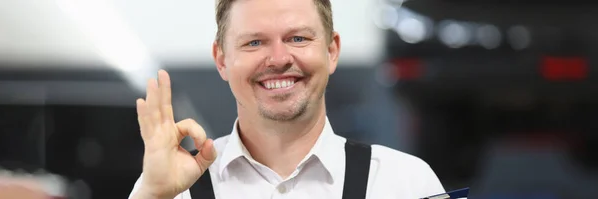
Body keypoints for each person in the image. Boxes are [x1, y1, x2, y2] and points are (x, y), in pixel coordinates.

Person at [128, 0, 446, 198]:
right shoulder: (174, 189)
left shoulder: (406, 184)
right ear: (221, 60)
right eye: (254, 42)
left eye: (297, 38)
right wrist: (153, 195)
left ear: (332, 50)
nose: (279, 58)